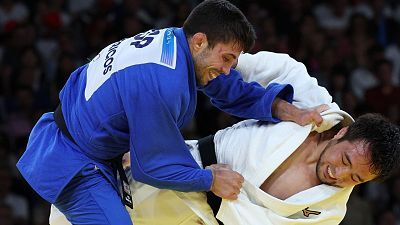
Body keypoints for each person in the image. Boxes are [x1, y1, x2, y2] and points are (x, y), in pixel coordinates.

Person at [16, 1, 324, 225]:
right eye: (227, 58)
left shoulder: (174, 42)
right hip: (74, 161)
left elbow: (229, 89)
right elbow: (152, 166)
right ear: (201, 41)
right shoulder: (162, 80)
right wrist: (208, 180)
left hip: (83, 142)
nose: (229, 69)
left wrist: (285, 110)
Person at [50, 50, 400, 225]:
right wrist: (203, 64)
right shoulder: (312, 105)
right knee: (73, 215)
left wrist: (225, 198)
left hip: (208, 220)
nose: (340, 176)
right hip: (181, 168)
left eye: (356, 178)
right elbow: (264, 67)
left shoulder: (330, 210)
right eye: (345, 161)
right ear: (342, 132)